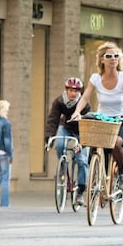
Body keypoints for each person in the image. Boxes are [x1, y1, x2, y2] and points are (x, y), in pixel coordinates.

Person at [71, 42, 123, 191]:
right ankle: (94, 176)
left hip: (121, 120)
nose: (113, 58)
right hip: (102, 120)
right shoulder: (95, 79)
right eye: (109, 56)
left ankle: (121, 173)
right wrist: (77, 111)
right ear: (102, 60)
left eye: (116, 56)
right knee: (93, 144)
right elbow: (85, 97)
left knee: (116, 143)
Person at [44, 77, 91, 205]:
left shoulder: (85, 104)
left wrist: (81, 143)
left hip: (81, 131)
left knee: (82, 161)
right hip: (66, 127)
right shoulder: (59, 102)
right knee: (59, 145)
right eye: (71, 90)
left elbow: (87, 125)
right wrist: (48, 138)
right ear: (66, 90)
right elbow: (53, 119)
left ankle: (80, 191)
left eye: (76, 91)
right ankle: (63, 166)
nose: (73, 93)